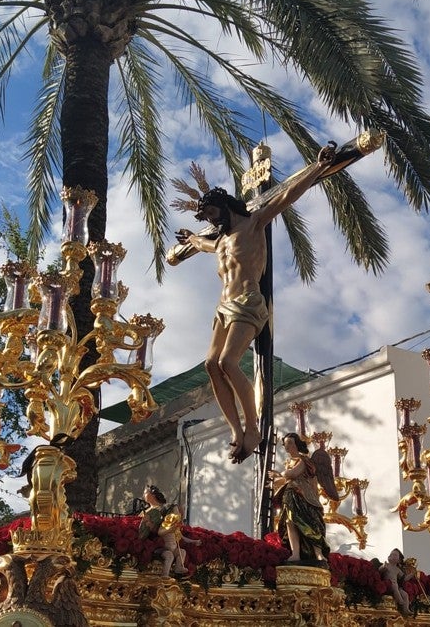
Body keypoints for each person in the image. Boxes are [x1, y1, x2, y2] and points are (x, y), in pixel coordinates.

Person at [176, 147, 338, 463]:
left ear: (224, 206)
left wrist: (316, 168)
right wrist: (190, 239)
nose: (209, 220)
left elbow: (287, 195)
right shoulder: (220, 241)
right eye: (205, 218)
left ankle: (253, 428)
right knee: (211, 365)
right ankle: (236, 430)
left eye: (211, 213)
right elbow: (201, 243)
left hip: (248, 301)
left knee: (228, 362)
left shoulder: (253, 223)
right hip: (223, 308)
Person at [269, 432, 332, 564]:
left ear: (297, 444)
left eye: (290, 443)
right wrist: (274, 482)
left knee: (310, 523)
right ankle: (295, 553)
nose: (287, 446)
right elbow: (285, 480)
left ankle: (318, 553)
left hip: (305, 497)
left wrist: (279, 474)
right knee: (290, 522)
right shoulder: (289, 462)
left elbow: (291, 474)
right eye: (285, 443)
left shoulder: (304, 460)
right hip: (290, 496)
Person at [138, 485, 200, 577]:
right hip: (158, 542)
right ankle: (165, 574)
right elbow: (142, 528)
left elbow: (176, 519)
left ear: (152, 494)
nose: (143, 495)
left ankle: (178, 567)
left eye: (145, 493)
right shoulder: (144, 513)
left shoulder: (168, 507)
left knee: (182, 552)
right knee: (169, 555)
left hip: (170, 540)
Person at [379, 548, 412, 615]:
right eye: (392, 554)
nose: (393, 556)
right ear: (389, 557)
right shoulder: (387, 565)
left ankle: (406, 609)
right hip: (388, 584)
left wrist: (412, 574)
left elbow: (404, 579)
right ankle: (401, 602)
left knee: (405, 594)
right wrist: (383, 567)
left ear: (399, 560)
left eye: (395, 555)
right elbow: (380, 570)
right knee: (394, 586)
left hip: (396, 585)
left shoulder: (397, 570)